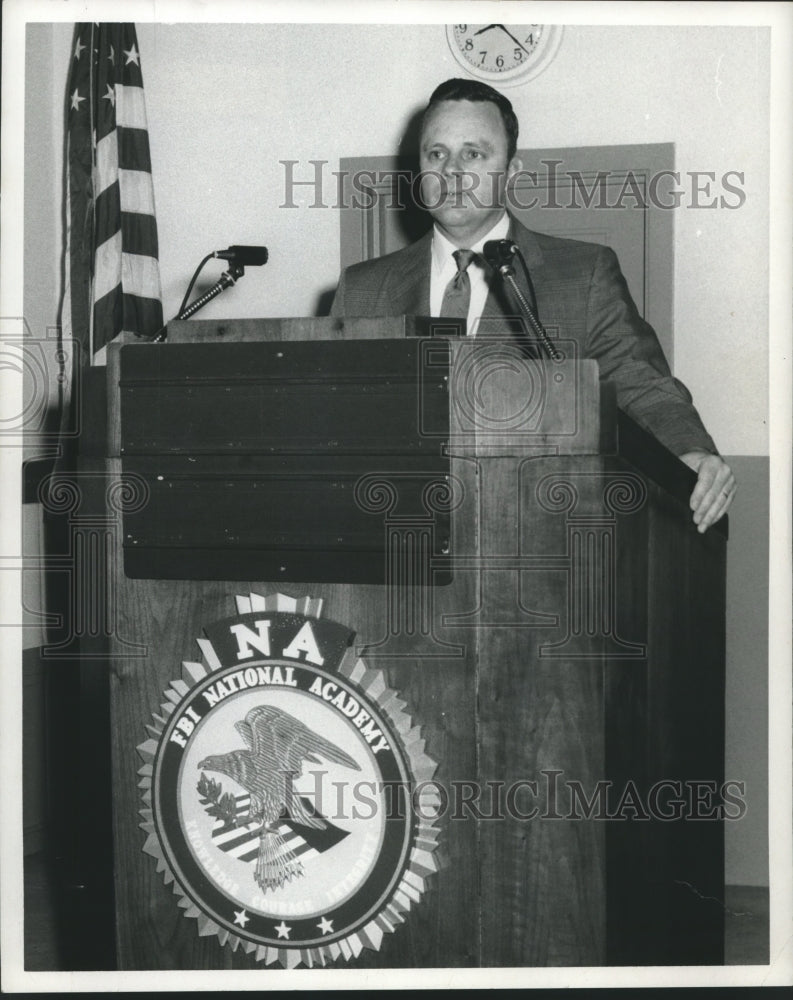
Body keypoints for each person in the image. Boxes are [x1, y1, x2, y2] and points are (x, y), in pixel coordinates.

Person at [331, 78, 735, 532]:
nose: (452, 172)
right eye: (436, 153)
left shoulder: (583, 274)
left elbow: (641, 384)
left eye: (474, 154)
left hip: (532, 539)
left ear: (512, 171)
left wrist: (690, 452)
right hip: (394, 535)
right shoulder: (362, 287)